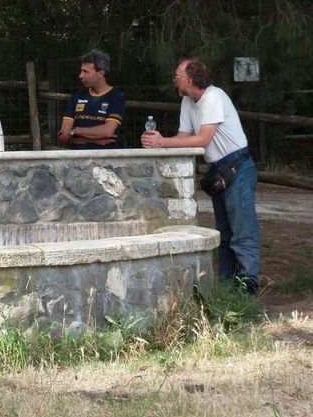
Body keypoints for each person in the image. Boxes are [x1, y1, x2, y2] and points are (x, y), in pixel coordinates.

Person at [141, 58, 260, 295]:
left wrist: (162, 142)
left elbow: (203, 139)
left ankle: (248, 286)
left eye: (177, 76)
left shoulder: (214, 97)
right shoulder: (187, 101)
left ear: (190, 79)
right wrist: (161, 144)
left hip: (236, 165)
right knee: (225, 232)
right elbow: (184, 137)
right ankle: (228, 286)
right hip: (219, 167)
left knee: (242, 230)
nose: (175, 81)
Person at [58, 49, 126, 149]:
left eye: (85, 72)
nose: (80, 76)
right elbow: (64, 135)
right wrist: (94, 139)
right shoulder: (77, 96)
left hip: (105, 159)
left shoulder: (116, 96)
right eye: (81, 71)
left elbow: (107, 131)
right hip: (78, 159)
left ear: (101, 73)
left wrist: (76, 131)